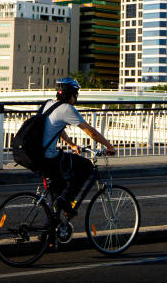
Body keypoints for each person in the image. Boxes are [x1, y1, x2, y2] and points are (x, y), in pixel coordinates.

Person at [39, 77, 116, 218]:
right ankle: (65, 200)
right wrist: (109, 146)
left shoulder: (49, 104)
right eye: (76, 94)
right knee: (86, 166)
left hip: (36, 155)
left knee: (57, 191)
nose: (76, 97)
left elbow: (57, 129)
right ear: (72, 94)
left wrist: (72, 144)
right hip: (48, 157)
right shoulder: (67, 109)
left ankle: (49, 236)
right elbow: (90, 131)